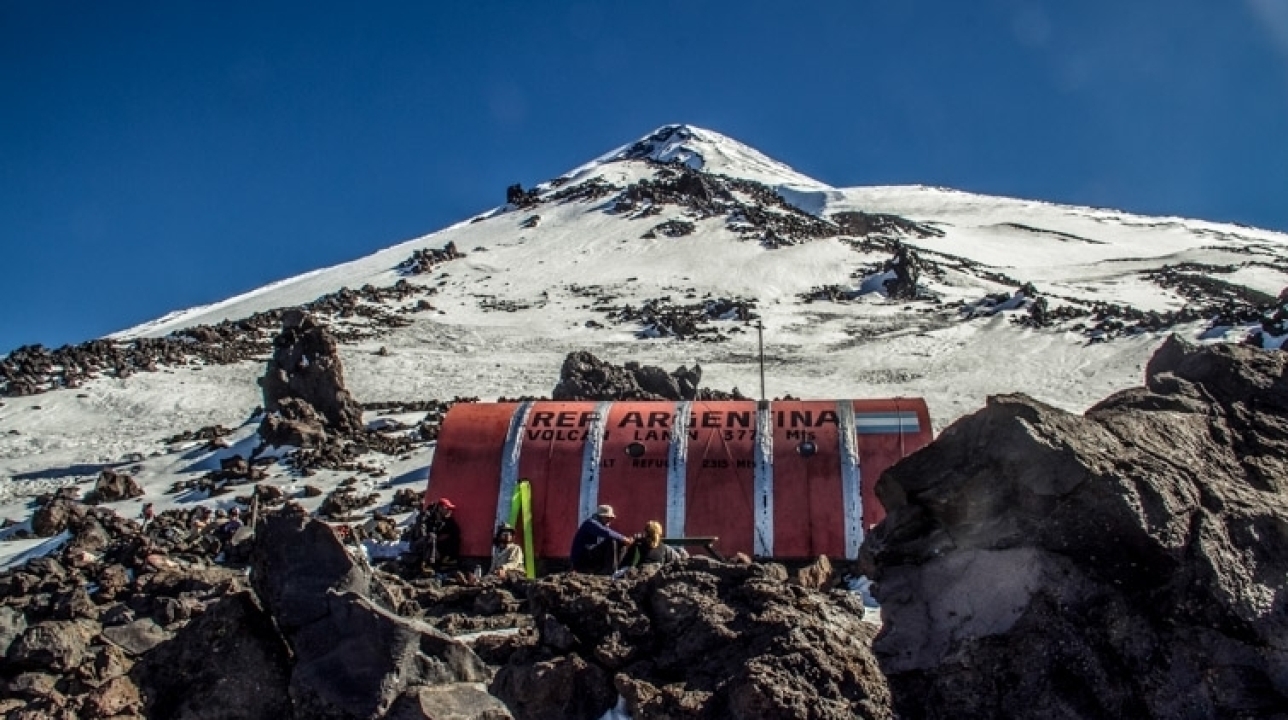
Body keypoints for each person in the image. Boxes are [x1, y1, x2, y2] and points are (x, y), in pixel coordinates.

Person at [569, 505, 633, 575]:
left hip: (591, 557)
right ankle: (610, 570)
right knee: (612, 540)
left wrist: (625, 541)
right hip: (581, 561)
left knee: (620, 542)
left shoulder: (602, 525)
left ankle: (617, 569)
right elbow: (607, 533)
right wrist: (624, 539)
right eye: (607, 518)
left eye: (611, 518)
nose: (610, 520)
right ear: (600, 516)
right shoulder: (590, 523)